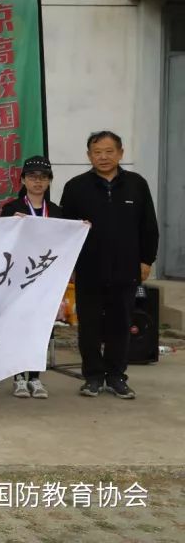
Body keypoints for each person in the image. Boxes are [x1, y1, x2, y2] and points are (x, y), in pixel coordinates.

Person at [60, 131, 158, 400]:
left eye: (109, 151)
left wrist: (146, 260)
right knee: (89, 325)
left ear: (121, 153)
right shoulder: (76, 186)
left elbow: (148, 225)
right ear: (89, 155)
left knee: (120, 323)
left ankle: (116, 376)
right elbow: (66, 230)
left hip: (126, 268)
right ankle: (92, 376)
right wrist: (69, 265)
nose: (103, 157)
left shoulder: (137, 184)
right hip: (89, 269)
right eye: (97, 152)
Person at [0, 155, 63, 400]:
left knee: (40, 328)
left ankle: (35, 377)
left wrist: (80, 228)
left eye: (43, 177)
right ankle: (18, 377)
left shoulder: (57, 211)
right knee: (17, 326)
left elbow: (64, 241)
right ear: (23, 180)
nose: (38, 182)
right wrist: (11, 224)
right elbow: (1, 240)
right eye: (33, 177)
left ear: (49, 181)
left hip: (46, 279)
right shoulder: (11, 209)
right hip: (18, 278)